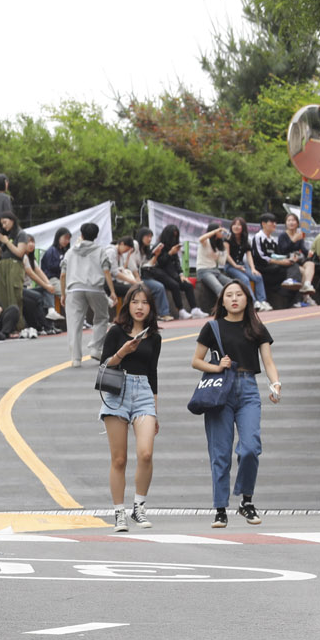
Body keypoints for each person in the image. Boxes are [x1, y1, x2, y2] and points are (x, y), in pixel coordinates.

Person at [191, 280, 282, 529]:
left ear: (246, 299)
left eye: (238, 294)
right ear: (222, 301)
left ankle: (246, 501)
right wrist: (217, 366)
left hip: (249, 389)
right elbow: (196, 361)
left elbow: (268, 362)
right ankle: (220, 509)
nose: (234, 299)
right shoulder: (212, 327)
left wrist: (275, 384)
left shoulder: (256, 327)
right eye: (228, 295)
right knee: (220, 453)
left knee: (250, 447)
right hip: (221, 391)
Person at [97, 287, 162, 533]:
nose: (140, 307)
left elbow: (153, 373)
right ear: (128, 306)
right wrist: (123, 351)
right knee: (120, 458)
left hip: (144, 391)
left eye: (145, 303)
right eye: (135, 302)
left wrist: (155, 410)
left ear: (151, 308)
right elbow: (105, 364)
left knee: (145, 453)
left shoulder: (154, 338)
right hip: (117, 393)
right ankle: (119, 513)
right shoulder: (116, 332)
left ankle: (139, 507)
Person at [62, 222, 115, 366]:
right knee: (102, 317)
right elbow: (106, 271)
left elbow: (63, 274)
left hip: (73, 289)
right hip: (95, 288)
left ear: (82, 234)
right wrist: (113, 292)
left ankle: (75, 359)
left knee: (74, 323)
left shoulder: (70, 251)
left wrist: (63, 294)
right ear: (96, 236)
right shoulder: (100, 250)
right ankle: (96, 348)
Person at [113, 235, 169, 319]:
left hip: (140, 277)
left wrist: (156, 255)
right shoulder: (133, 245)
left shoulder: (145, 250)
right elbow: (129, 267)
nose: (149, 239)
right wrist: (136, 280)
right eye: (147, 236)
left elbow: (146, 265)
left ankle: (159, 314)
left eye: (151, 237)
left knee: (156, 287)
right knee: (141, 290)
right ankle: (131, 316)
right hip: (133, 278)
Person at [148, 226, 199, 317]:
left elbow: (177, 262)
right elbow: (158, 263)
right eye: (172, 236)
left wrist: (181, 274)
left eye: (176, 236)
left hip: (173, 274)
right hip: (160, 274)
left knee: (188, 285)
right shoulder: (159, 246)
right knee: (175, 285)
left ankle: (194, 309)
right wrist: (170, 253)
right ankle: (180, 310)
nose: (174, 239)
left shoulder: (173, 246)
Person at [0, 213, 29, 331]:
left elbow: (20, 253)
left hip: (15, 265)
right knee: (1, 294)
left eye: (5, 222)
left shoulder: (21, 234)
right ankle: (5, 326)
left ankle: (18, 326)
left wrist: (7, 242)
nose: (4, 225)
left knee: (14, 295)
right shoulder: (4, 235)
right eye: (2, 223)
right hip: (2, 265)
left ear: (12, 220)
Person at [278, 212, 320, 303]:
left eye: (293, 220)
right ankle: (305, 296)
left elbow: (303, 249)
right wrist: (293, 240)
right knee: (304, 272)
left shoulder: (299, 235)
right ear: (286, 223)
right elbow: (283, 250)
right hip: (288, 261)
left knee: (310, 264)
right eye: (289, 220)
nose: (291, 222)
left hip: (299, 259)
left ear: (297, 223)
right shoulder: (283, 236)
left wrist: (309, 252)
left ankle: (307, 285)